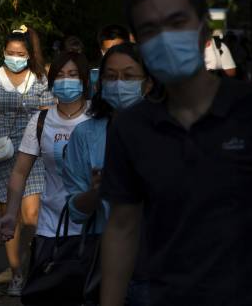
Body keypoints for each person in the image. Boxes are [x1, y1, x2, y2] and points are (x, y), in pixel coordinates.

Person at [100, 0, 252, 306]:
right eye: (151, 30)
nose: (165, 38)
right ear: (139, 41)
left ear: (204, 30)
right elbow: (122, 227)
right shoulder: (131, 129)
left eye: (177, 22)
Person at [62, 43, 153, 306]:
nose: (119, 84)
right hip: (105, 263)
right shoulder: (85, 135)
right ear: (101, 83)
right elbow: (75, 209)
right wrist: (98, 191)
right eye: (111, 77)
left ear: (148, 83)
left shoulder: (167, 133)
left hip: (157, 264)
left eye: (129, 76)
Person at [0, 51, 92, 303]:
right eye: (60, 75)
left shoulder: (99, 118)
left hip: (95, 230)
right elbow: (19, 172)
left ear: (84, 79)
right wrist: (10, 212)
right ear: (51, 82)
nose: (66, 80)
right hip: (52, 231)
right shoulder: (40, 121)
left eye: (72, 74)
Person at [0, 25, 54, 296]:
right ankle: (17, 272)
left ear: (29, 55)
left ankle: (34, 262)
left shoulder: (40, 79)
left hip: (33, 153)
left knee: (32, 214)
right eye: (10, 52)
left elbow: (47, 116)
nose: (15, 57)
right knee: (9, 215)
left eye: (20, 53)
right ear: (3, 52)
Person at [91, 25, 130, 99]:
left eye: (119, 49)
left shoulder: (140, 76)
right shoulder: (93, 78)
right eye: (109, 51)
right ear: (102, 52)